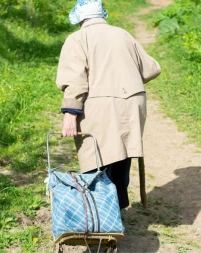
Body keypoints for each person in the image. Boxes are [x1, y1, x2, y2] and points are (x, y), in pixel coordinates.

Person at [56, 0, 161, 209]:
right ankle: (118, 204)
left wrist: (70, 113)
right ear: (101, 15)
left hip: (100, 104)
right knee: (121, 152)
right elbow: (151, 69)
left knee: (94, 157)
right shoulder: (122, 34)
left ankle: (100, 212)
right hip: (132, 102)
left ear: (80, 18)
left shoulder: (77, 38)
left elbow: (75, 80)